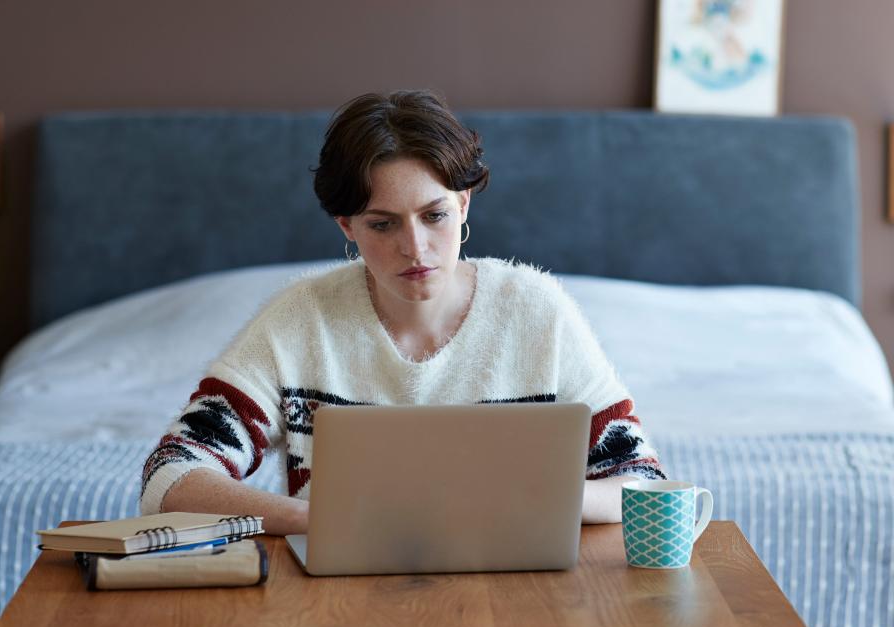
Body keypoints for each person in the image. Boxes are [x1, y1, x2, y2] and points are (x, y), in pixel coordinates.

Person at [140, 90, 665, 535]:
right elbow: (170, 475)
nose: (415, 249)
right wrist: (319, 520)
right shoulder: (300, 321)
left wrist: (531, 506)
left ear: (463, 205)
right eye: (382, 224)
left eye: (433, 215)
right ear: (347, 226)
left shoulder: (537, 312)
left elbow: (645, 485)